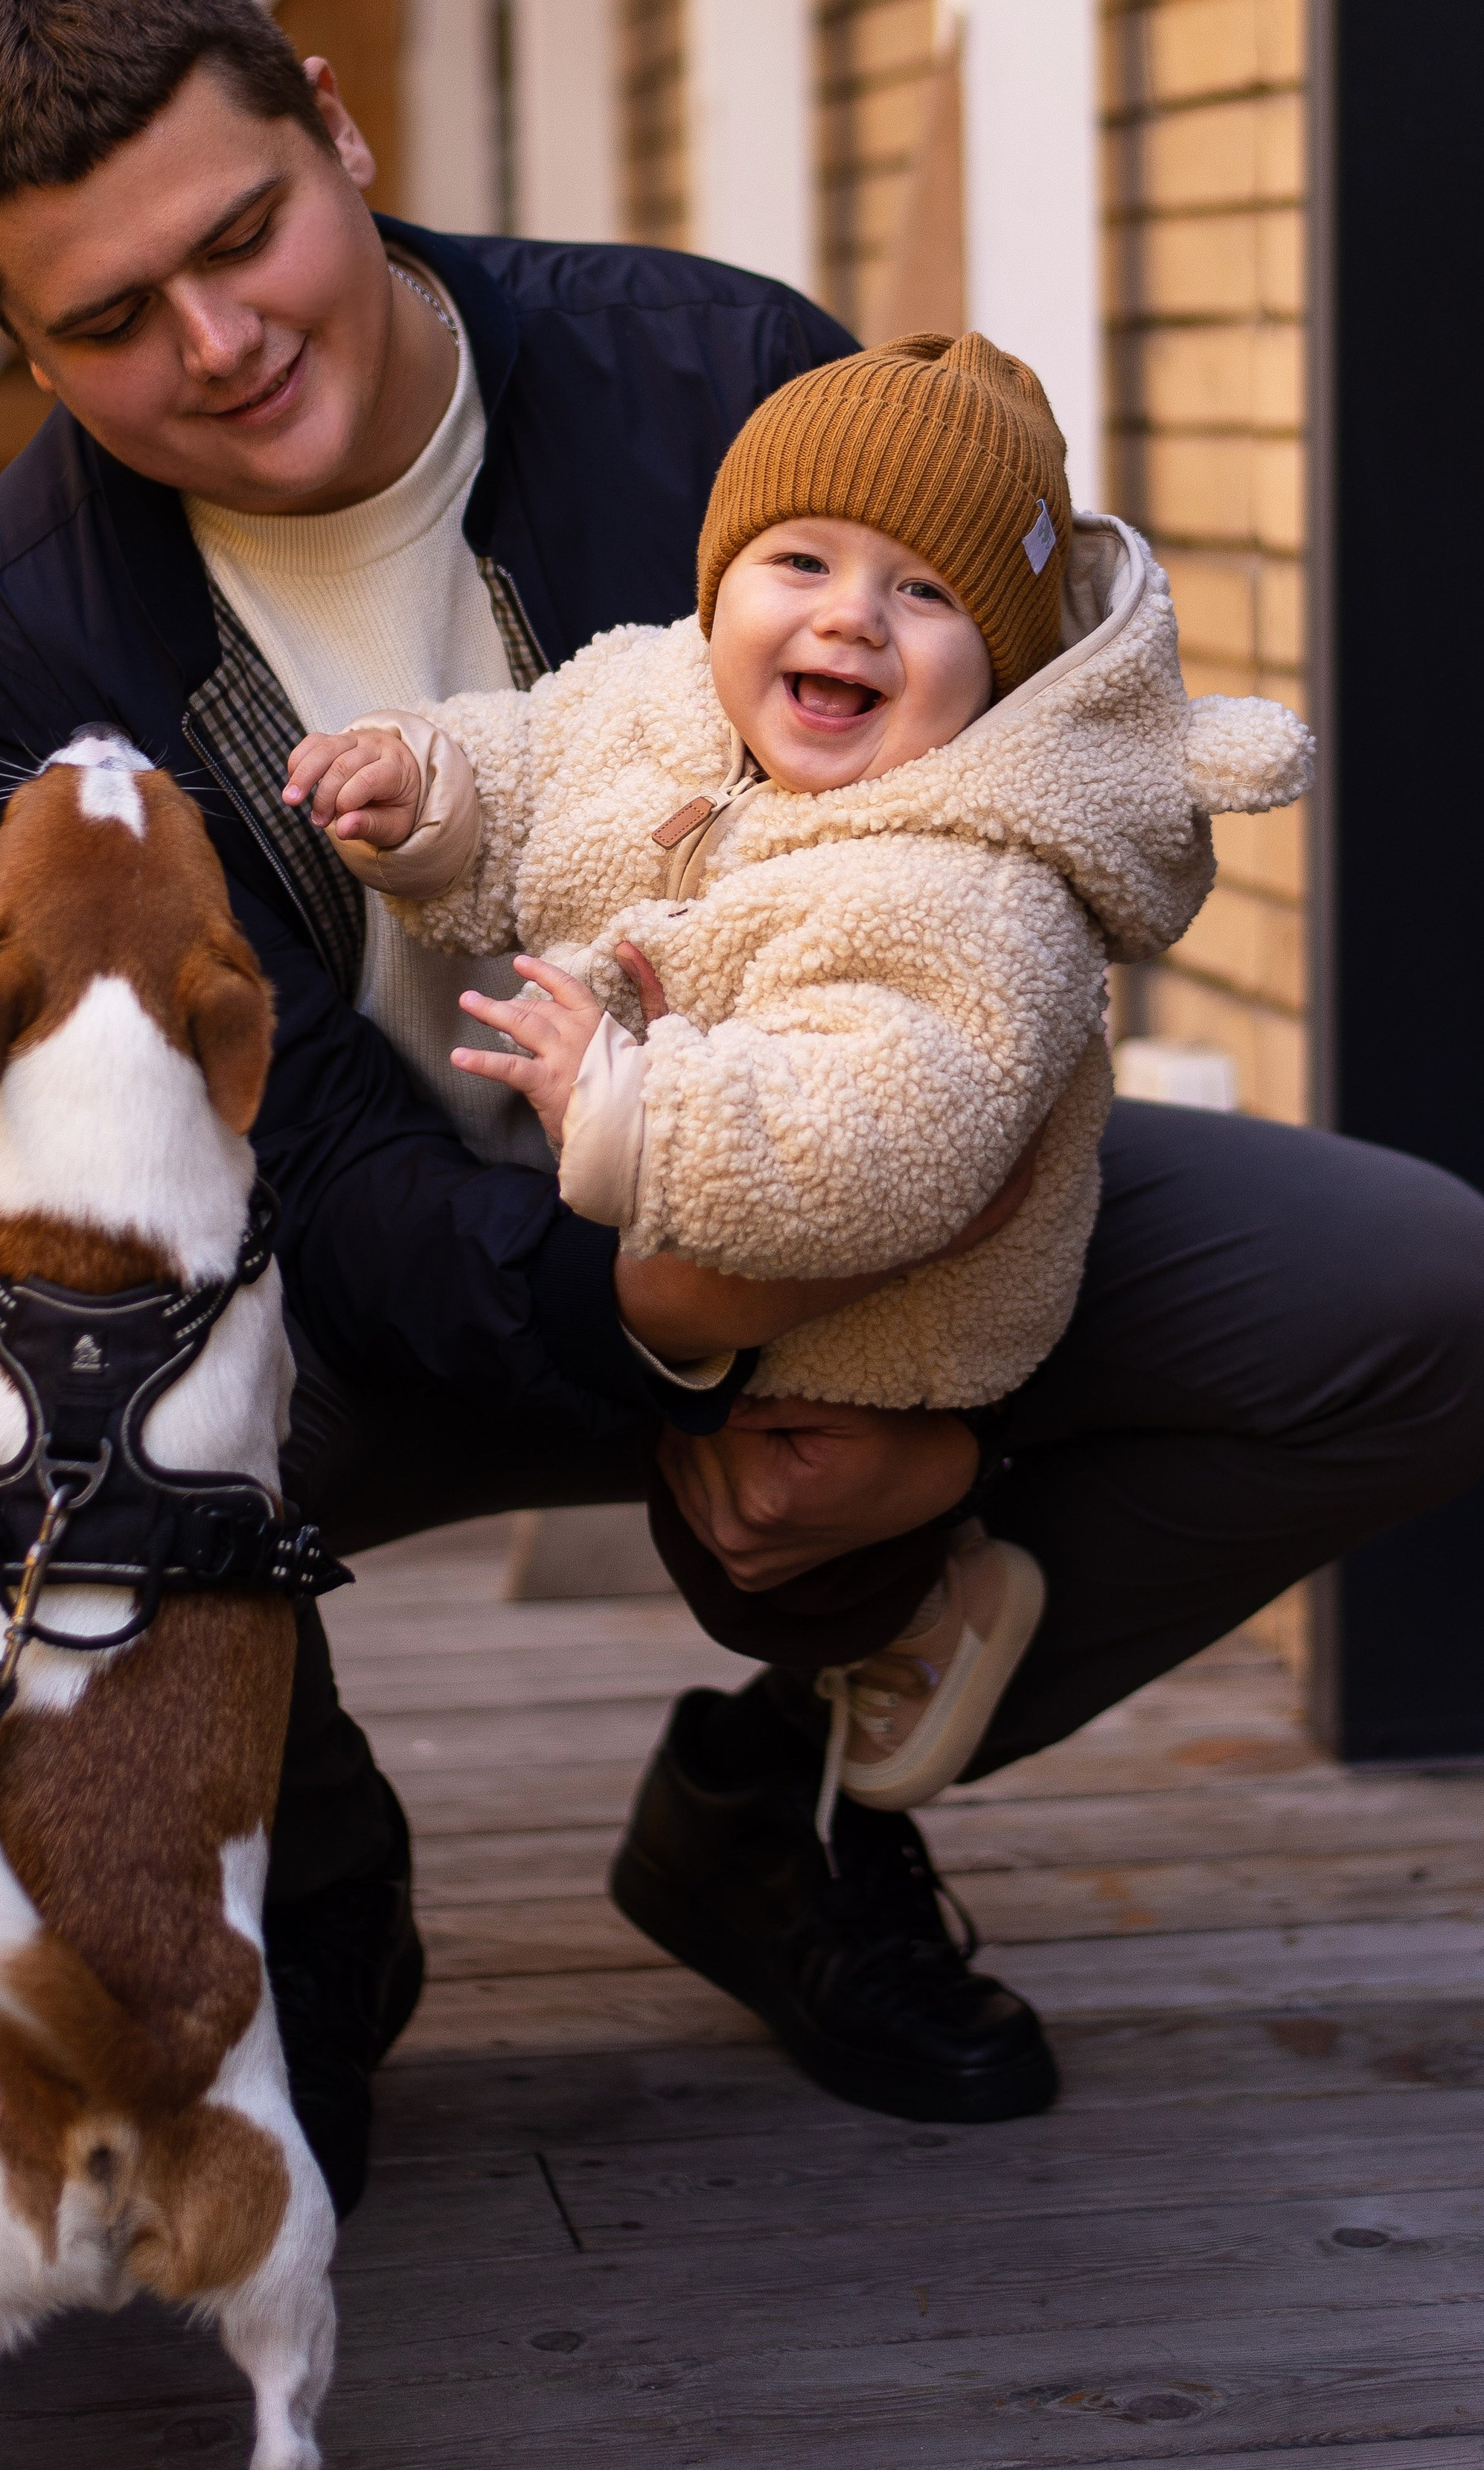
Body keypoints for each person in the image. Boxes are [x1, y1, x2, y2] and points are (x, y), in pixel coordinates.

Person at [0, 0, 1484, 2191]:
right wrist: (659, 1325)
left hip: (841, 1197)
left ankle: (796, 1804)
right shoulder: (13, 646)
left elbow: (1027, 818)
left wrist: (894, 1365)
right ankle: (312, 1913)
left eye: (241, 237)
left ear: (336, 127)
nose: (219, 343)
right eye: (113, 320)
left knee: (1416, 1295)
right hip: (354, 1308)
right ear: (25, 351)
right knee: (28, 1413)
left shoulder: (723, 373)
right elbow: (272, 1148)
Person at [282, 331, 1310, 1827]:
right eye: (801, 561)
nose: (850, 618)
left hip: (874, 1332)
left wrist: (641, 1112)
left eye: (926, 592)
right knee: (699, 1484)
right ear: (722, 585)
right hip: (659, 1259)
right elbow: (526, 760)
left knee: (783, 1539)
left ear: (1000, 669)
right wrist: (427, 795)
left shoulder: (976, 886)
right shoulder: (651, 698)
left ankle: (924, 1593)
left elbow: (880, 1134)